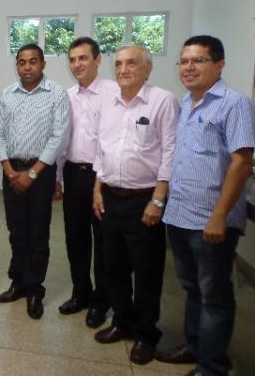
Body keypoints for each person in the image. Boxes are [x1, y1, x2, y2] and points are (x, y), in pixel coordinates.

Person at [155, 36, 255, 376]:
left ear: (220, 64)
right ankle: (195, 348)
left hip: (211, 221)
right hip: (181, 214)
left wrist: (219, 216)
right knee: (192, 287)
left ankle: (213, 368)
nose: (188, 67)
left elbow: (242, 161)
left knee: (214, 295)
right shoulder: (189, 102)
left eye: (198, 60)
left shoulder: (234, 103)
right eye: (184, 61)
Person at [92, 44, 179, 365]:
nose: (123, 69)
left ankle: (145, 334)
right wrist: (98, 189)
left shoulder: (163, 101)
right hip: (111, 197)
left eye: (131, 63)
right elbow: (102, 150)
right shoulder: (110, 104)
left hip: (145, 200)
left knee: (146, 272)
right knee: (112, 268)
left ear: (147, 68)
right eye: (118, 64)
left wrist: (158, 199)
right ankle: (122, 322)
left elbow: (171, 152)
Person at [0, 43, 69, 319]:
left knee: (38, 233)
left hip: (41, 172)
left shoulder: (57, 94)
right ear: (17, 65)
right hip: (12, 170)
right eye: (22, 62)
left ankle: (35, 288)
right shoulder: (6, 95)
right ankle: (18, 282)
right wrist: (9, 169)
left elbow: (59, 137)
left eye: (33, 61)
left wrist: (33, 173)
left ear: (42, 64)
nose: (27, 67)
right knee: (16, 231)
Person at [58, 37, 118, 329]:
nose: (77, 64)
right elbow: (62, 140)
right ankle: (80, 293)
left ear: (97, 60)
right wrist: (58, 177)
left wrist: (101, 180)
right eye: (72, 59)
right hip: (73, 173)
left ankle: (101, 300)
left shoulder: (113, 93)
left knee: (104, 241)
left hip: (101, 178)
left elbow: (114, 140)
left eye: (83, 58)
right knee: (75, 238)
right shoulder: (67, 96)